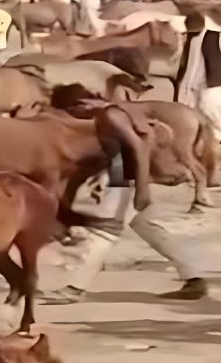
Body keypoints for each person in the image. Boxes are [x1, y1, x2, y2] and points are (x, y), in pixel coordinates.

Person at [43, 91, 211, 304]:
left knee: (103, 233)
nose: (76, 115)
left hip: (127, 182)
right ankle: (194, 277)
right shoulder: (115, 113)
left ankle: (74, 288)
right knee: (151, 229)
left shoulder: (110, 114)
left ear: (83, 103)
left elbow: (139, 147)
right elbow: (124, 149)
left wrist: (142, 188)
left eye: (74, 110)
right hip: (125, 179)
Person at [175, 12, 221, 142]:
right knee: (199, 114)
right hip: (199, 85)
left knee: (211, 111)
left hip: (214, 84)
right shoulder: (190, 40)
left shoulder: (216, 36)